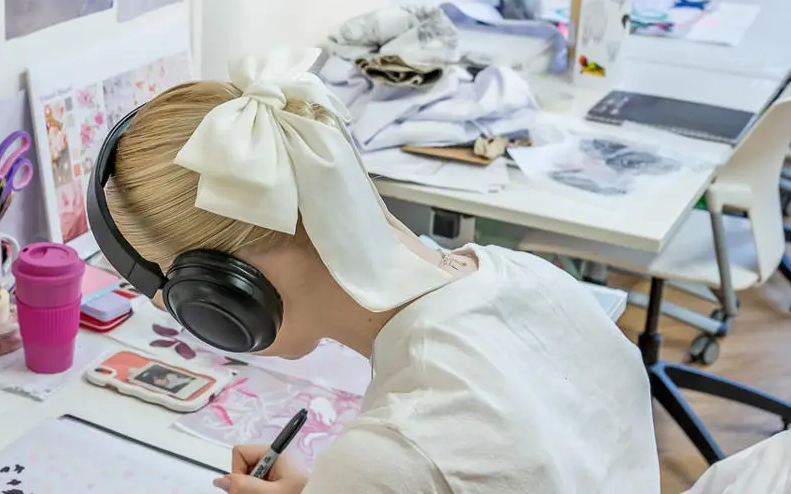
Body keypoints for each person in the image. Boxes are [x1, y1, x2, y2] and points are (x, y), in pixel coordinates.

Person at [97, 50, 660, 493]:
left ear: (221, 294)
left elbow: (425, 467)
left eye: (175, 294)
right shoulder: (537, 278)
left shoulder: (393, 455)